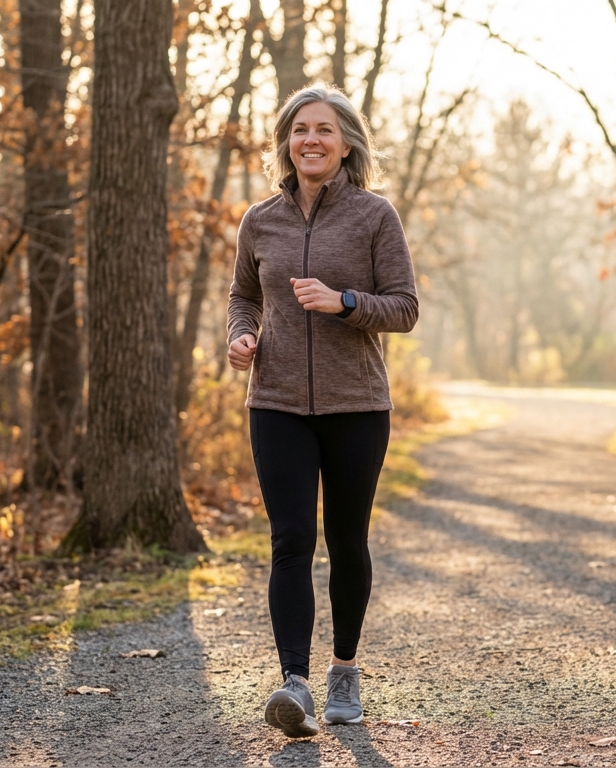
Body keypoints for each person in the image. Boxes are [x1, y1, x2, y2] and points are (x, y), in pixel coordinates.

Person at [226, 84, 418, 739]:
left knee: (345, 541)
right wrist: (240, 336)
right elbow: (243, 296)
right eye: (299, 129)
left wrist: (343, 302)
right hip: (275, 402)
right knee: (289, 541)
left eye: (324, 130)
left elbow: (406, 308)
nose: (311, 139)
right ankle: (295, 686)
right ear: (285, 142)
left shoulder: (374, 217)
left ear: (346, 145)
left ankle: (343, 673)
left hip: (356, 405)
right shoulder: (260, 220)